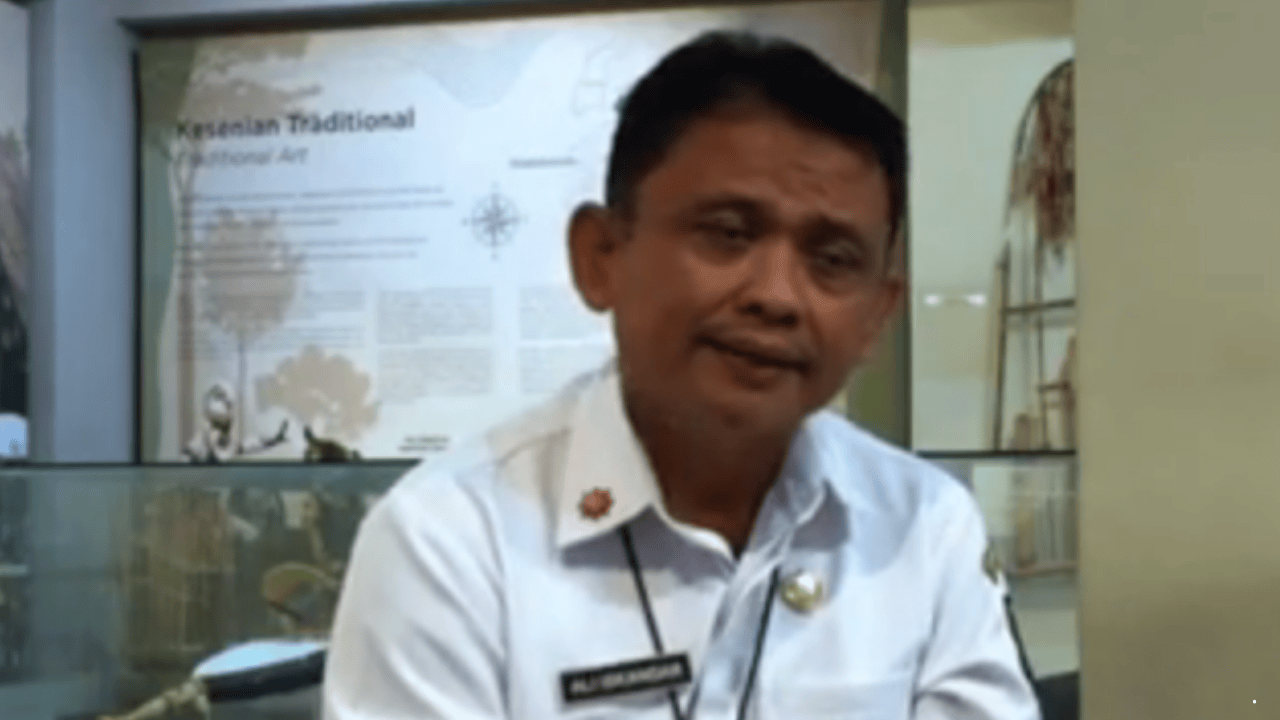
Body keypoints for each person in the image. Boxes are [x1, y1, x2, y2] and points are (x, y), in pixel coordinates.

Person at [324, 31, 1040, 720]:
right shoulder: (450, 540)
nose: (777, 296)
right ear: (600, 257)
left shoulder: (925, 528)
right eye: (729, 233)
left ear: (878, 316)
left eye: (832, 259)